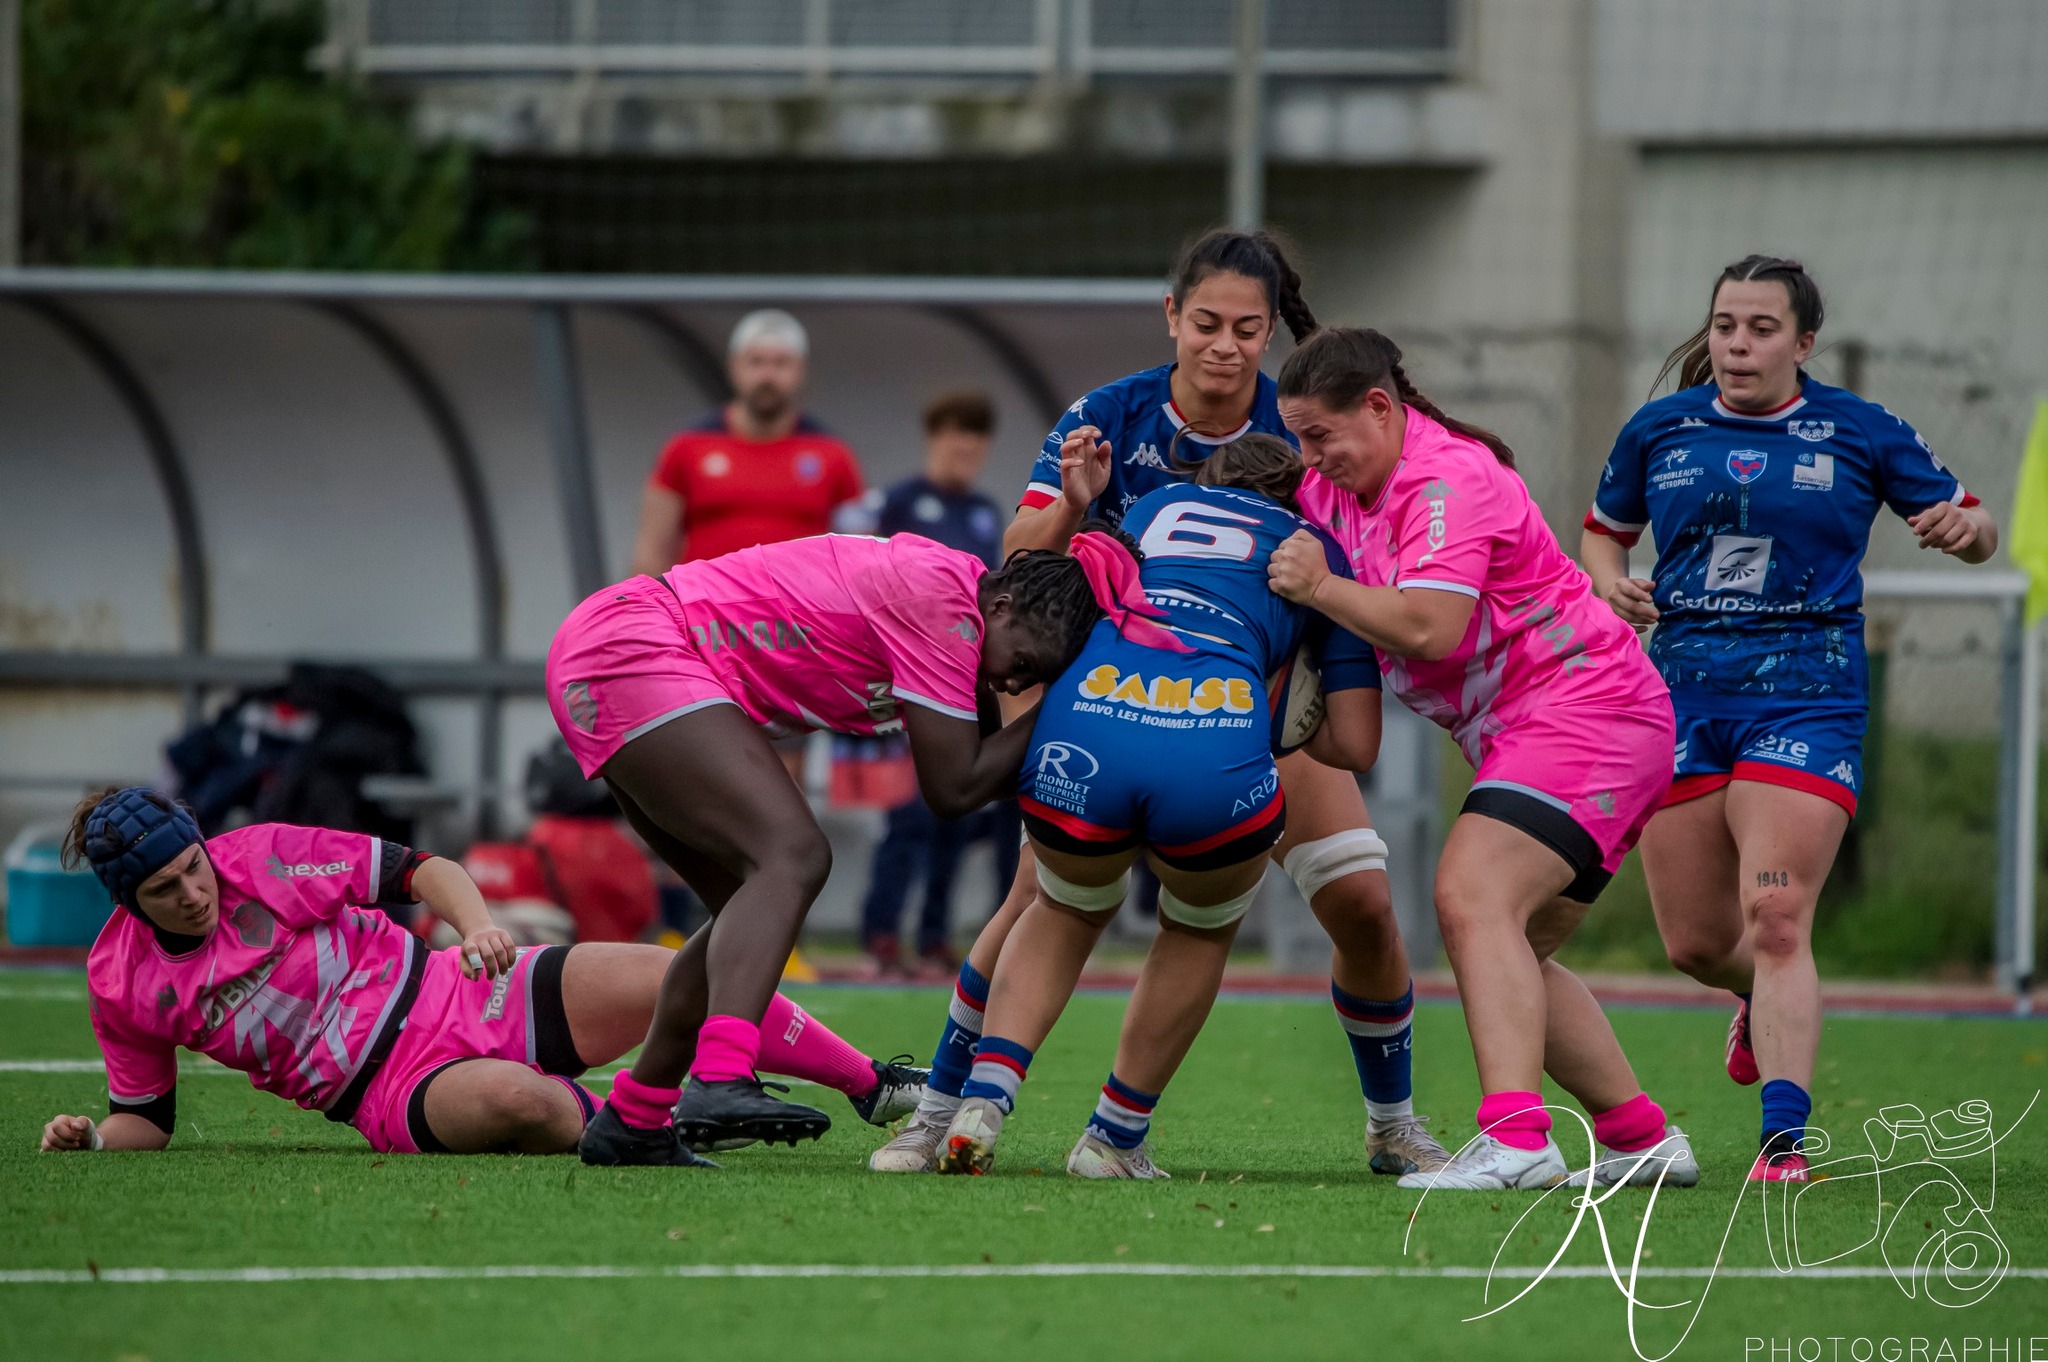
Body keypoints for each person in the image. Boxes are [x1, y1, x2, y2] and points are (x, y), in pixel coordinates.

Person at [874, 228, 1447, 1179]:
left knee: (1364, 906)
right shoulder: (1109, 413)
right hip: (1130, 691)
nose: (1226, 345)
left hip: (1265, 699)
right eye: (1208, 323)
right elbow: (1027, 547)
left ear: (1272, 334)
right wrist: (1072, 499)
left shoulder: (1301, 417)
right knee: (1033, 902)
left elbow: (1357, 556)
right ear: (1172, 316)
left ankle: (1394, 1127)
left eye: (1248, 329)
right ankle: (938, 1115)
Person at [1580, 256, 1998, 1183]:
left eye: (1761, 328)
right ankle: (1755, 998)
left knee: (1775, 917)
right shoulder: (1661, 428)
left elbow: (1974, 521)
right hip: (1682, 698)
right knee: (1695, 942)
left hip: (1807, 693)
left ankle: (1784, 1144)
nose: (1738, 342)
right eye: (1726, 324)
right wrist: (1611, 584)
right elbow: (1604, 531)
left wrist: (1968, 533)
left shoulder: (1858, 429)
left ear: (1802, 343)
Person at [547, 530, 1130, 1167]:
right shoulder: (943, 606)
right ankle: (718, 1079)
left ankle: (634, 1115)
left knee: (749, 912)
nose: (1009, 678)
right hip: (633, 645)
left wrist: (1061, 700)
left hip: (620, 644)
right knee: (794, 856)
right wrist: (1070, 701)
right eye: (1020, 660)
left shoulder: (964, 605)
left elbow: (987, 771)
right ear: (1002, 606)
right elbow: (955, 787)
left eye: (1028, 678)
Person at [1269, 326, 1697, 1192]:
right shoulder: (1335, 489)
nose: (1310, 457)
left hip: (1592, 710)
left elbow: (1432, 625)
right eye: (1299, 438)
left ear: (1381, 409)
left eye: (1321, 435)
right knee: (1512, 950)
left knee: (1471, 893)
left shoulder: (1446, 475)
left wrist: (1319, 589)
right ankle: (1640, 1138)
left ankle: (1518, 1140)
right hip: (1553, 728)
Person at [937, 438, 1388, 1178]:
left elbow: (1054, 611)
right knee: (1199, 929)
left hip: (1086, 724)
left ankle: (986, 1095)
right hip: (1212, 743)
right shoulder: (1319, 551)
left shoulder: (1147, 508)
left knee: (1064, 906)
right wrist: (1280, 711)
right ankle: (1113, 1136)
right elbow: (1359, 745)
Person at [37, 787, 926, 1158]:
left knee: (672, 980)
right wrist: (90, 1138)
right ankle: (654, 1123)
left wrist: (477, 928)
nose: (196, 891)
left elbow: (423, 870)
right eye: (167, 888)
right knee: (520, 1101)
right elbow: (144, 1119)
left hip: (458, 985)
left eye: (194, 866)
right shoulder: (121, 978)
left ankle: (875, 1086)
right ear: (127, 900)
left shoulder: (260, 855)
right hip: (390, 1088)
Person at [857, 391, 1020, 977]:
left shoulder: (985, 510)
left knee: (958, 814)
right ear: (934, 438)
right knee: (909, 816)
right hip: (907, 679)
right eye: (955, 435)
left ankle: (933, 936)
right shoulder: (899, 502)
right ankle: (880, 933)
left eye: (974, 438)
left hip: (963, 685)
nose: (964, 448)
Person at [629, 309, 865, 574]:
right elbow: (652, 551)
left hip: (799, 611)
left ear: (801, 371)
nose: (767, 375)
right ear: (734, 367)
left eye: (781, 363)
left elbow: (857, 553)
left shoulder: (833, 454)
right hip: (706, 609)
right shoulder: (685, 447)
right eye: (756, 362)